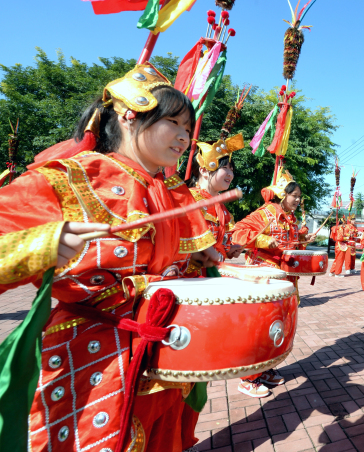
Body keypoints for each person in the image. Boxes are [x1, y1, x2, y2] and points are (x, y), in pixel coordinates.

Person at [0, 63, 220, 452]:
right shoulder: (72, 177)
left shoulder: (172, 192)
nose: (185, 137)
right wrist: (43, 242)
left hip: (164, 357)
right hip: (92, 358)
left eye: (188, 128)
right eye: (174, 123)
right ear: (129, 116)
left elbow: (187, 259)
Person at [231, 165, 313, 398]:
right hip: (264, 282)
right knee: (259, 327)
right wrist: (265, 240)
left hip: (286, 280)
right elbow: (238, 233)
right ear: (282, 194)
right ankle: (247, 378)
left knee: (278, 327)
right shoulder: (265, 214)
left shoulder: (290, 218)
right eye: (293, 196)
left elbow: (292, 246)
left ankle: (264, 369)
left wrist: (304, 238)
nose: (297, 200)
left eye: (299, 197)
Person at [185, 133, 245, 268]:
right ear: (204, 171)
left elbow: (219, 245)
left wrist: (228, 250)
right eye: (224, 168)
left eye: (232, 169)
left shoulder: (222, 209)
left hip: (213, 276)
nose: (230, 174)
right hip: (189, 277)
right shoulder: (188, 200)